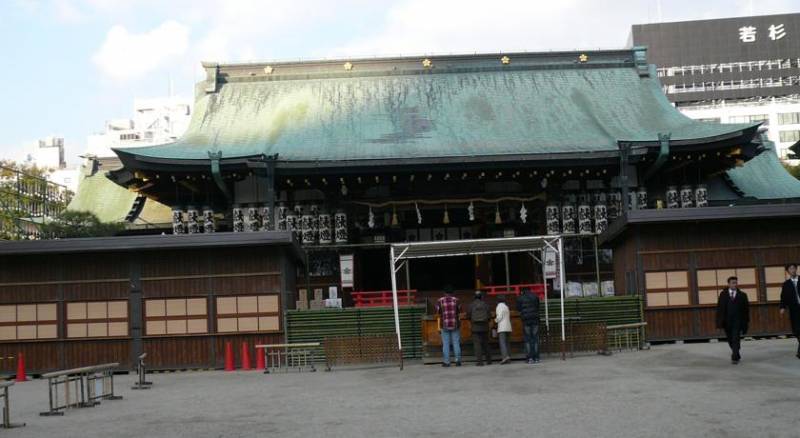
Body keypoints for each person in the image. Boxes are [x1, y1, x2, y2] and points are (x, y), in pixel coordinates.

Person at [715, 276, 750, 364]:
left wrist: (746, 321)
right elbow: (720, 308)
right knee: (730, 339)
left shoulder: (742, 295)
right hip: (727, 320)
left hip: (737, 320)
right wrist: (719, 320)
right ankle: (736, 352)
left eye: (736, 283)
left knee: (735, 338)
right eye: (733, 283)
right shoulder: (723, 294)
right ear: (729, 284)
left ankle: (734, 357)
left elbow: (746, 310)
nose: (735, 284)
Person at [435, 285, 462, 367]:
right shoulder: (457, 301)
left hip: (444, 325)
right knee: (456, 343)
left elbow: (437, 311)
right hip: (455, 324)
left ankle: (446, 362)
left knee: (446, 344)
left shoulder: (440, 301)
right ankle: (457, 361)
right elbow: (460, 311)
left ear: (444, 292)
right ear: (453, 292)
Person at [779, 263, 800, 359]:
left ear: (796, 269)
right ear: (788, 271)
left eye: (794, 268)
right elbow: (783, 297)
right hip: (794, 309)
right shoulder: (786, 284)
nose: (792, 270)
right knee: (796, 330)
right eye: (790, 269)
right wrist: (782, 307)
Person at [467, 291, 492, 366]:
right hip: (484, 327)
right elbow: (489, 317)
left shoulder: (471, 305)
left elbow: (468, 316)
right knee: (486, 344)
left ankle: (480, 362)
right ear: (481, 297)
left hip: (475, 327)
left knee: (477, 345)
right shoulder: (486, 305)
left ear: (474, 297)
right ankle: (489, 360)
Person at [516, 288, 541, 364]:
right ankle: (536, 357)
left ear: (522, 292)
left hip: (526, 320)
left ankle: (530, 358)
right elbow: (538, 307)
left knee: (527, 339)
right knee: (535, 338)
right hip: (535, 320)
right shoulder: (535, 297)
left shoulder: (520, 298)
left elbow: (518, 309)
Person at [494, 294, 512, 364]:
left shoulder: (499, 306)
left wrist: (495, 320)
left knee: (502, 343)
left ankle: (505, 357)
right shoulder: (506, 306)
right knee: (507, 343)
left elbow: (499, 317)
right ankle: (508, 356)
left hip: (502, 327)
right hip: (508, 326)